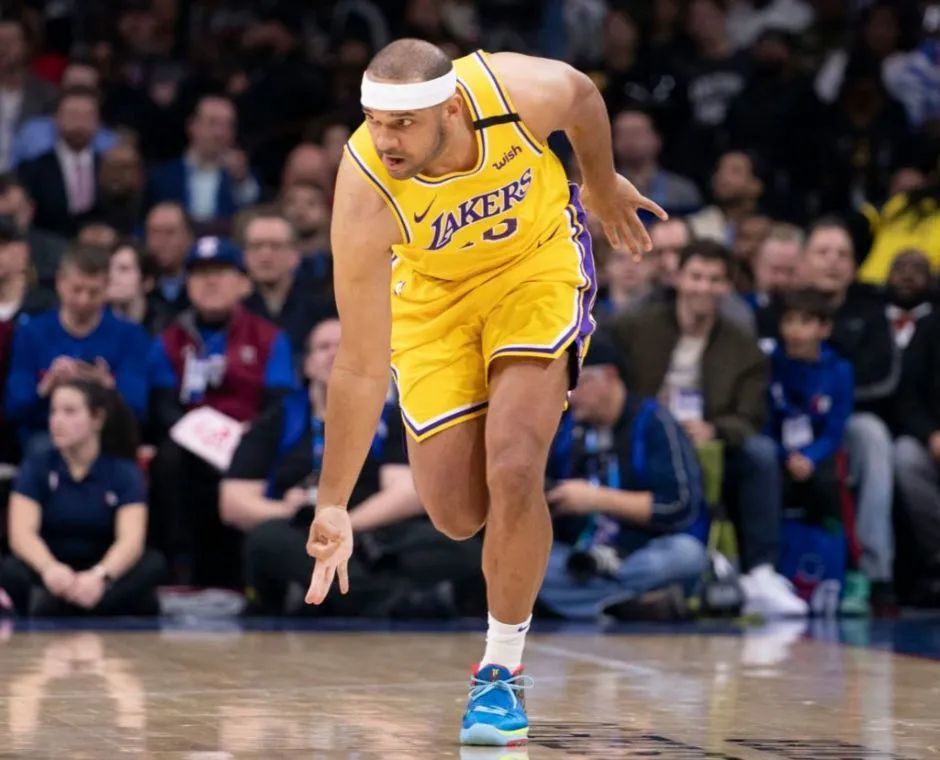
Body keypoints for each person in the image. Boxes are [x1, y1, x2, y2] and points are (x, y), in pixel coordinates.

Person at [302, 39, 664, 747]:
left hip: (534, 268)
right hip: (432, 306)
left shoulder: (515, 90)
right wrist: (334, 501)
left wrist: (599, 179)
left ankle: (500, 673)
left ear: (453, 107)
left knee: (514, 465)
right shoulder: (365, 185)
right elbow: (358, 363)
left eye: (403, 123)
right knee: (458, 512)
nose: (386, 138)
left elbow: (585, 97)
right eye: (375, 120)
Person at [225, 318, 482, 617]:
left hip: (373, 531)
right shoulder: (278, 419)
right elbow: (233, 501)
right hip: (303, 531)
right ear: (307, 365)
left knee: (461, 548)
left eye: (344, 345)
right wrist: (291, 513)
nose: (334, 353)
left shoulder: (391, 418)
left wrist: (348, 526)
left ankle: (347, 598)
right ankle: (386, 601)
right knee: (266, 540)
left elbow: (406, 492)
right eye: (323, 347)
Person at [608, 240, 808, 618]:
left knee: (761, 454)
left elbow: (750, 416)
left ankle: (761, 572)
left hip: (710, 445)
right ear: (679, 278)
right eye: (696, 277)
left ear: (728, 286)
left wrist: (713, 428)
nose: (704, 287)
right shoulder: (636, 326)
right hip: (644, 439)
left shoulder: (743, 346)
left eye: (715, 280)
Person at [539, 334, 709, 621]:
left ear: (608, 376)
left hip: (641, 551)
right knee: (525, 562)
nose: (569, 396)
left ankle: (588, 603)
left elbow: (679, 506)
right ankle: (625, 605)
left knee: (687, 555)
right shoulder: (567, 428)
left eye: (574, 384)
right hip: (580, 556)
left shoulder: (654, 423)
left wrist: (595, 499)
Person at [0, 379, 165, 616]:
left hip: (102, 566)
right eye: (54, 411)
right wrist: (50, 569)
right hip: (53, 566)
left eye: (69, 412)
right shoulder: (37, 467)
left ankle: (62, 605)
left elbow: (131, 539)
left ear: (97, 419)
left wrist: (99, 576)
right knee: (10, 569)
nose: (57, 421)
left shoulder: (124, 472)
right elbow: (22, 534)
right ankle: (87, 604)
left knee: (152, 564)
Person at [4, 244, 152, 455]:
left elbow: (138, 409)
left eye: (94, 292)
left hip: (107, 440)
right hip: (46, 438)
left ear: (107, 287)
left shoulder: (130, 336)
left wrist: (107, 387)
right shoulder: (31, 333)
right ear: (60, 283)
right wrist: (46, 387)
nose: (84, 300)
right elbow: (13, 408)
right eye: (77, 289)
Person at [766, 289, 853, 531]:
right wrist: (786, 455)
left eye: (805, 322)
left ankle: (840, 554)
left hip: (819, 452)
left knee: (829, 480)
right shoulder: (771, 364)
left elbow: (835, 429)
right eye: (789, 321)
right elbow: (765, 423)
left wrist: (810, 457)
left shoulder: (839, 370)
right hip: (780, 451)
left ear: (824, 329)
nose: (795, 330)